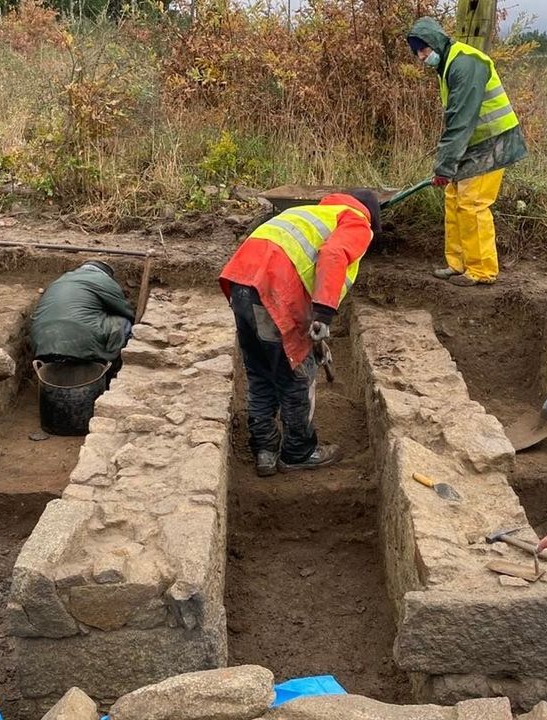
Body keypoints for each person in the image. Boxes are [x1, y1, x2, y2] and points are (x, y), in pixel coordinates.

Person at [219, 190, 380, 477]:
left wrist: (315, 325)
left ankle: (265, 451)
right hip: (274, 291)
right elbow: (332, 255)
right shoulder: (356, 221)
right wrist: (323, 314)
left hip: (241, 284)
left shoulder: (310, 214)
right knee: (295, 376)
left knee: (260, 372)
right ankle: (298, 452)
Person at [407, 17, 527, 287]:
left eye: (423, 49)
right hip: (475, 142)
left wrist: (444, 166)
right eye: (417, 52)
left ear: (436, 41)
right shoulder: (449, 64)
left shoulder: (465, 63)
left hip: (494, 141)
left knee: (472, 203)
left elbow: (461, 121)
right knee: (453, 197)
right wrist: (446, 167)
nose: (420, 57)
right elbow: (457, 121)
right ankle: (457, 263)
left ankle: (482, 270)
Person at [30, 260, 136, 389]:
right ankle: (109, 365)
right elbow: (125, 311)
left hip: (42, 340)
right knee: (124, 323)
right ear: (107, 274)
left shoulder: (60, 279)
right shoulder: (104, 280)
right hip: (82, 339)